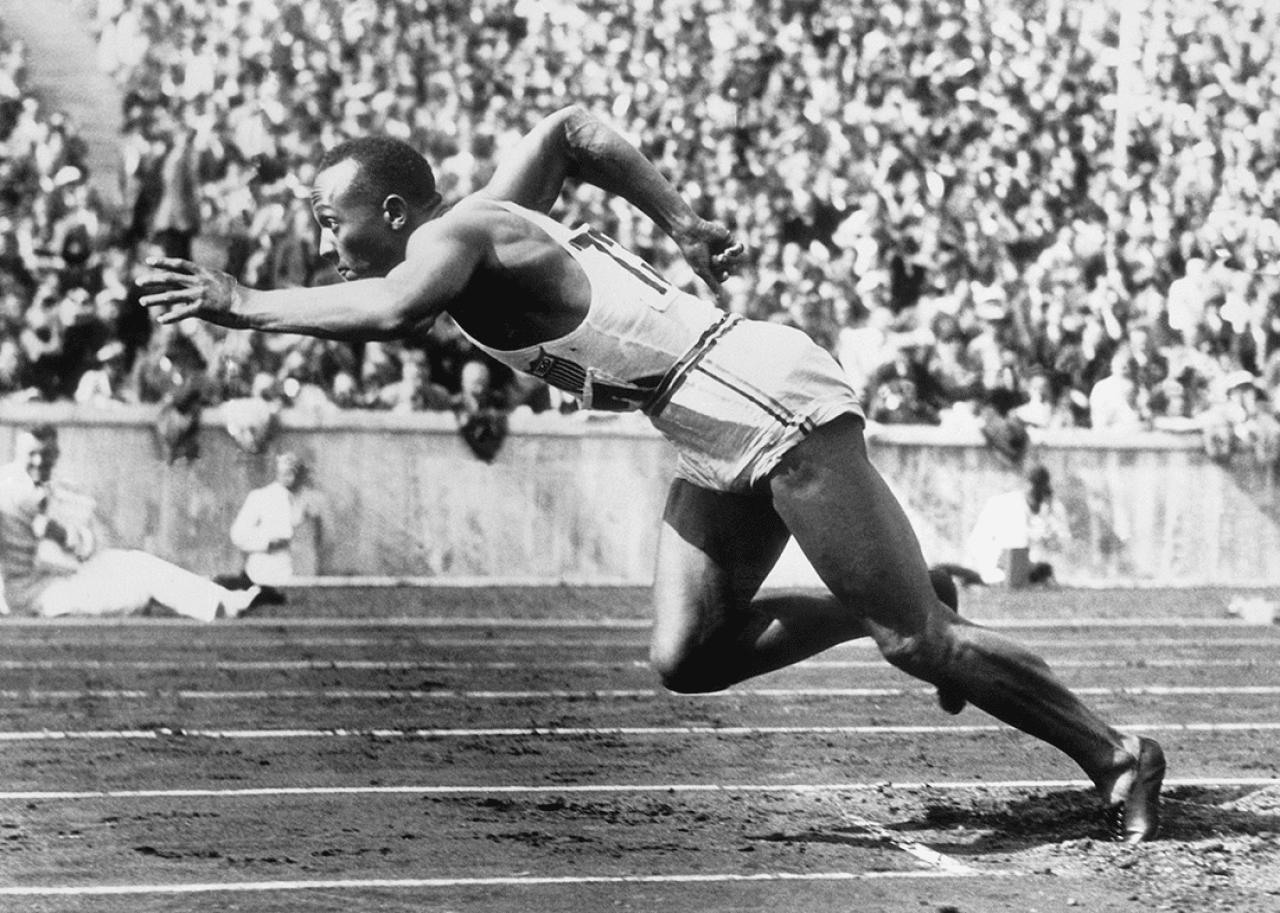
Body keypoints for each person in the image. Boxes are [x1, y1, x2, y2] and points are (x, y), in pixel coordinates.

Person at [138, 104, 1165, 841]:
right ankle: (877, 602)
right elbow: (573, 134)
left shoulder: (450, 235)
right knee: (688, 652)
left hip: (755, 394)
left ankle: (1113, 751)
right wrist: (680, 220)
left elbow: (391, 310)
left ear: (397, 207)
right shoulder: (487, 216)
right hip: (699, 417)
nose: (325, 239)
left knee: (918, 642)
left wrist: (241, 301)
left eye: (333, 218)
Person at [0, 423, 260, 620]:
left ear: (56, 454)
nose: (38, 461)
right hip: (38, 594)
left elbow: (86, 545)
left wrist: (62, 534)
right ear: (16, 453)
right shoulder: (8, 489)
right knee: (139, 587)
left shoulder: (55, 489)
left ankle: (223, 600)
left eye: (46, 454)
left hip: (65, 574)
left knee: (136, 561)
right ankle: (221, 605)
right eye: (31, 454)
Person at [224, 450, 325, 599]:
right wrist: (267, 542)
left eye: (294, 470)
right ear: (277, 472)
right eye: (285, 471)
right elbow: (238, 534)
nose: (289, 476)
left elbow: (324, 537)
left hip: (304, 577)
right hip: (266, 575)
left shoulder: (314, 500)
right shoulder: (260, 497)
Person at [960, 465, 1070, 587]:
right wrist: (999, 560)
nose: (1037, 495)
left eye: (1041, 488)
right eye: (1034, 488)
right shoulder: (1003, 504)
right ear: (1025, 484)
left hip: (1038, 575)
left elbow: (1062, 545)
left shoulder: (1054, 509)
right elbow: (977, 541)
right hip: (1000, 572)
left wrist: (1048, 518)